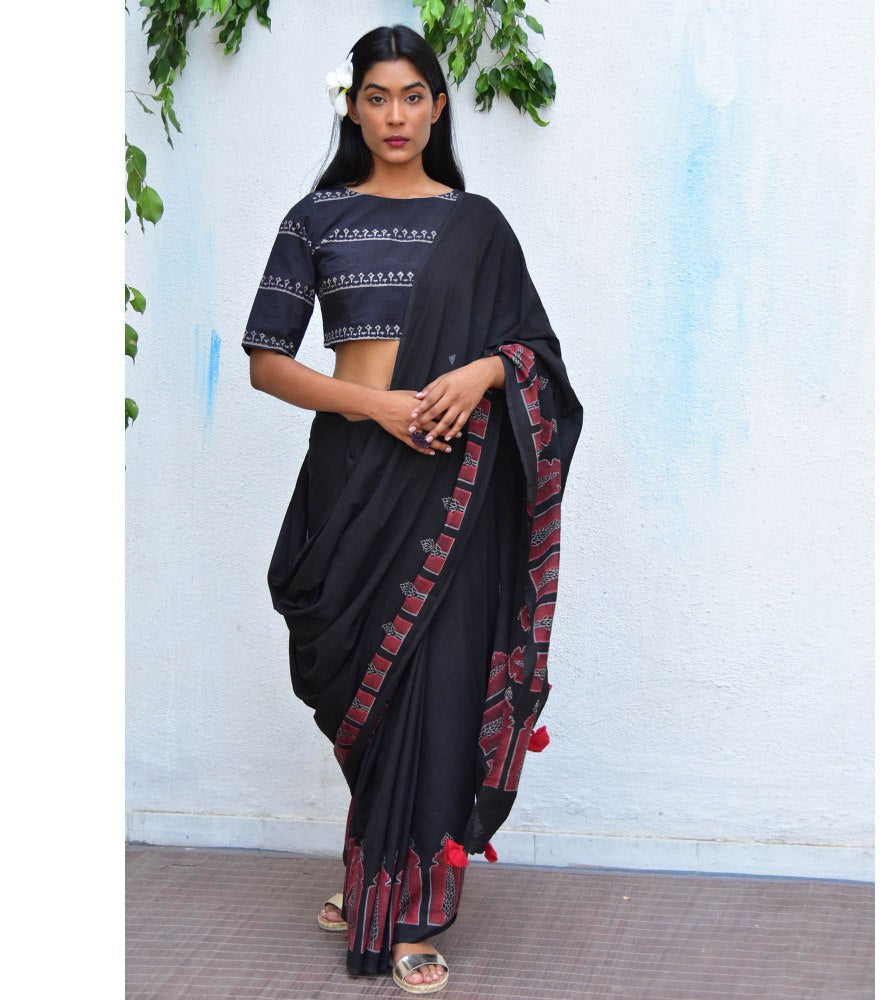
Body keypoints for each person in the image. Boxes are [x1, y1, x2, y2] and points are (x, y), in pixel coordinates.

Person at [243, 23, 582, 994]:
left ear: (437, 107)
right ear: (351, 108)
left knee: (433, 688)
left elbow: (538, 357)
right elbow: (267, 361)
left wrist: (484, 371)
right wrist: (377, 406)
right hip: (351, 476)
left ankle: (411, 911)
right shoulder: (316, 218)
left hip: (452, 485)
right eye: (376, 96)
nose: (395, 115)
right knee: (359, 680)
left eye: (413, 96)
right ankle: (377, 868)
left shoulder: (478, 226)